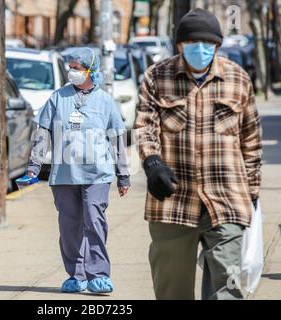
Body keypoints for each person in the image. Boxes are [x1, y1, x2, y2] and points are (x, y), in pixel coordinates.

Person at [135, 8, 263, 300]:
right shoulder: (158, 76)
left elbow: (252, 142)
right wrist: (152, 162)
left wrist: (253, 194)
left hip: (227, 199)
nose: (200, 50)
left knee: (228, 288)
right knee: (172, 290)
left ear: (217, 46)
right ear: (179, 45)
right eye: (192, 44)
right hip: (172, 201)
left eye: (207, 44)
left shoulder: (238, 79)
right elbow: (144, 126)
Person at [27, 47, 130, 294]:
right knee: (69, 226)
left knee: (94, 221)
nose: (71, 71)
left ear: (91, 72)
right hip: (64, 174)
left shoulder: (105, 101)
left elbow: (117, 138)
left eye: (76, 68)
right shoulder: (57, 98)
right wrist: (34, 166)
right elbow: (43, 132)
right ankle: (76, 274)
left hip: (98, 173)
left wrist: (123, 174)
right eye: (70, 67)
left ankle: (99, 274)